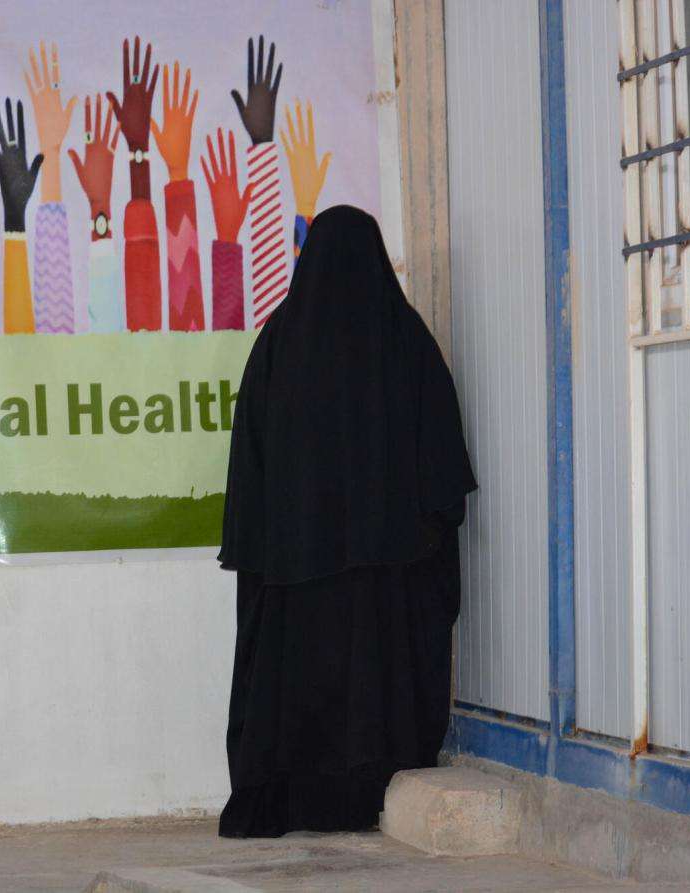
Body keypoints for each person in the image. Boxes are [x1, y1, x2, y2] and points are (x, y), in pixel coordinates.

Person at [217, 205, 476, 838]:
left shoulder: (278, 344)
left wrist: (272, 546)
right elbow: (443, 477)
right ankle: (369, 794)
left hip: (291, 578)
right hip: (386, 585)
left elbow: (248, 469)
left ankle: (292, 801)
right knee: (377, 685)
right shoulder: (407, 342)